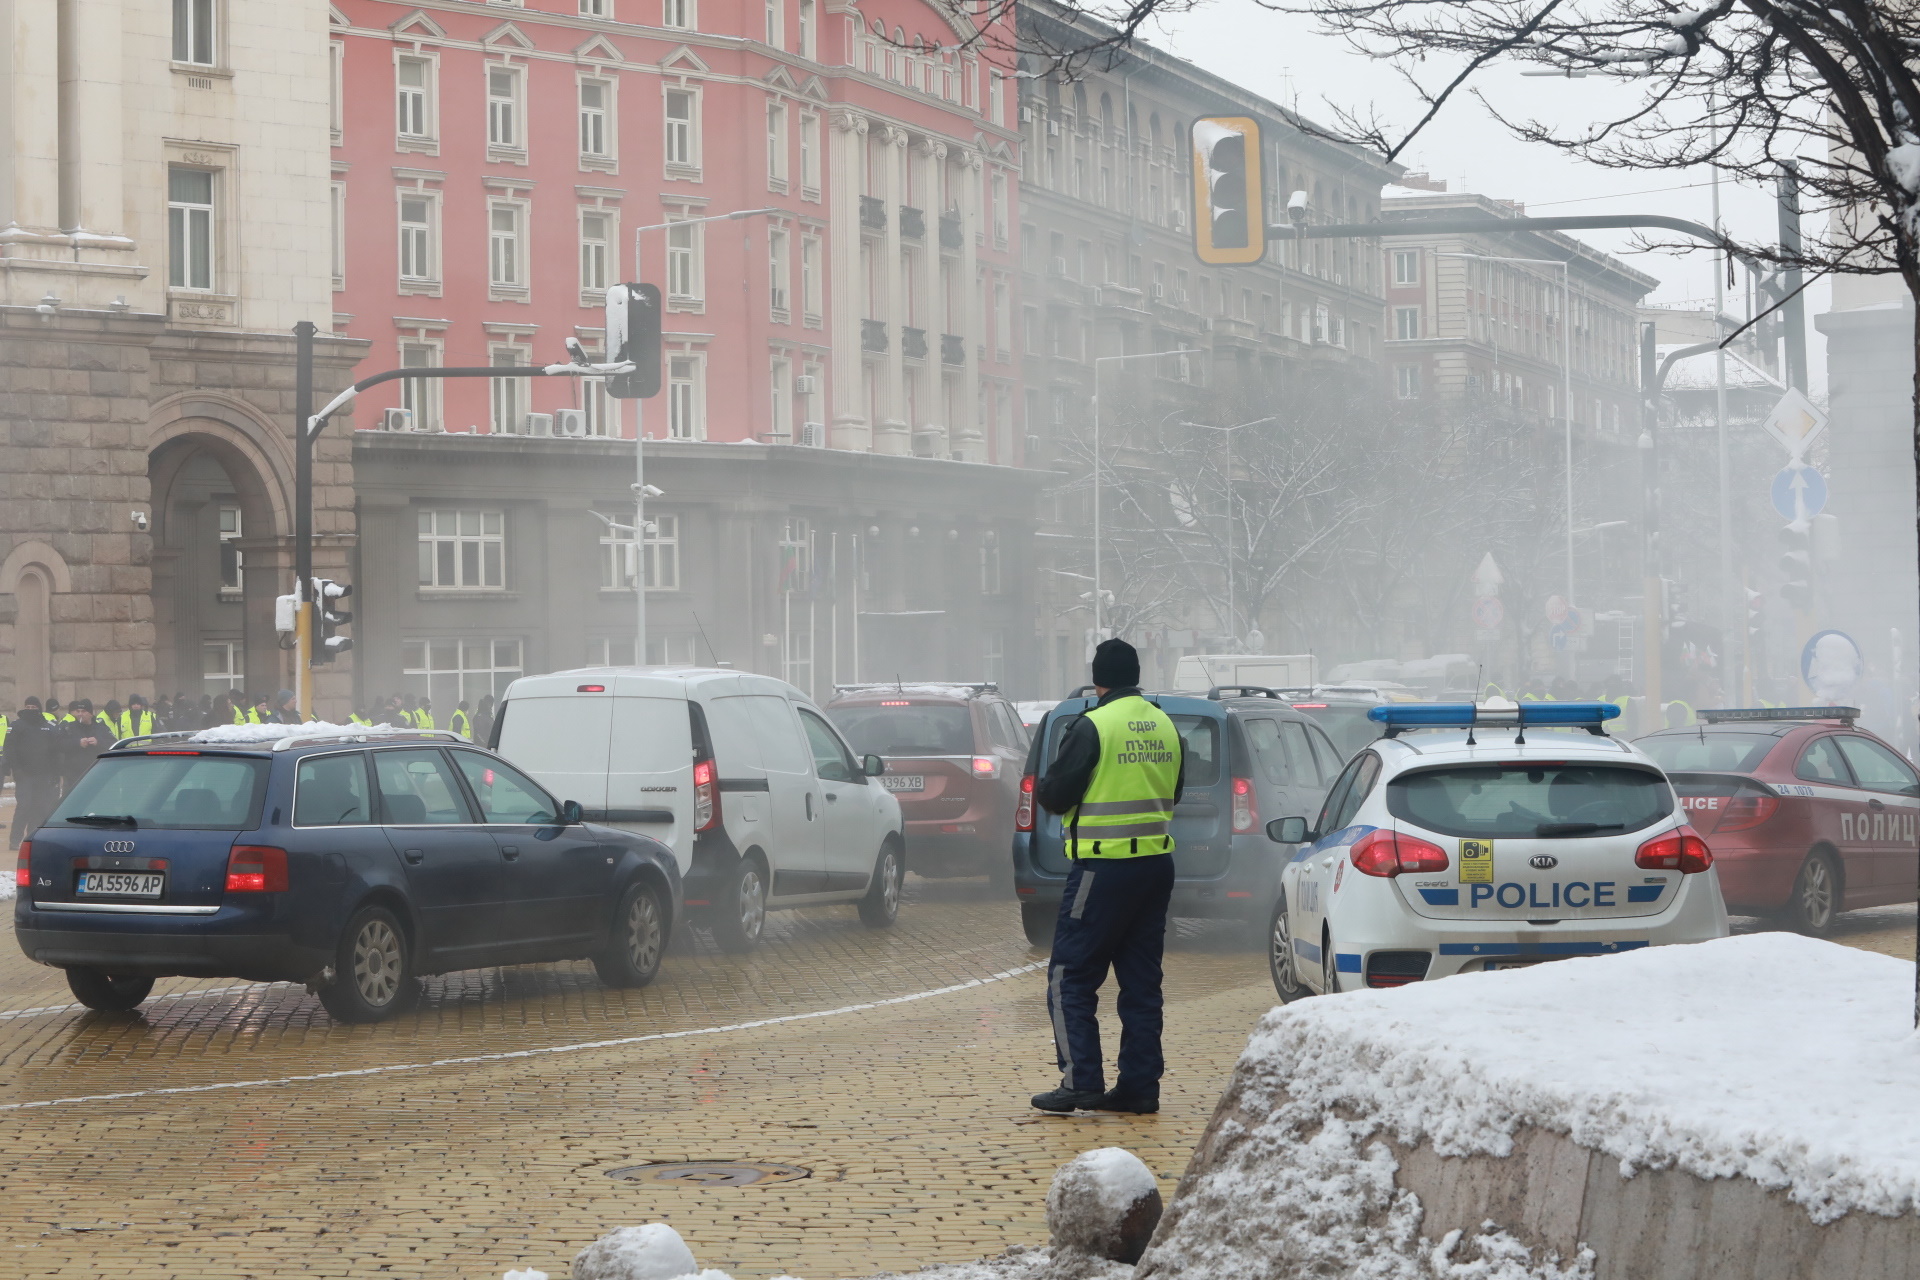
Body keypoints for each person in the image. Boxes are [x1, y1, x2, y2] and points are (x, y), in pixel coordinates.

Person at [1029, 638, 1184, 1117]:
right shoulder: (1165, 723)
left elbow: (1054, 794)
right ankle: (1139, 1088)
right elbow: (1174, 792)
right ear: (1135, 676)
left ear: (1098, 681)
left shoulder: (1093, 725)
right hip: (1155, 867)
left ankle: (1082, 1083)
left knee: (1069, 976)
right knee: (1141, 984)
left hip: (1103, 867)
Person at [7, 707, 59, 850]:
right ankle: (15, 840)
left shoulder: (47, 726)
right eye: (29, 706)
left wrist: (55, 773)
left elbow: (54, 751)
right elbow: (9, 748)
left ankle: (32, 838)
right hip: (24, 775)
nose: (32, 710)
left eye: (34, 707)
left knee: (40, 807)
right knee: (24, 806)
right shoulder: (17, 726)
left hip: (43, 775)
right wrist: (16, 769)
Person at [60, 700, 106, 795]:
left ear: (91, 713)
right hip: (73, 775)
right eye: (78, 711)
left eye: (84, 711)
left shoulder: (100, 728)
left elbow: (112, 743)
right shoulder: (69, 728)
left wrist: (98, 742)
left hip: (95, 773)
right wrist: (77, 743)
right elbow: (60, 744)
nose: (80, 714)